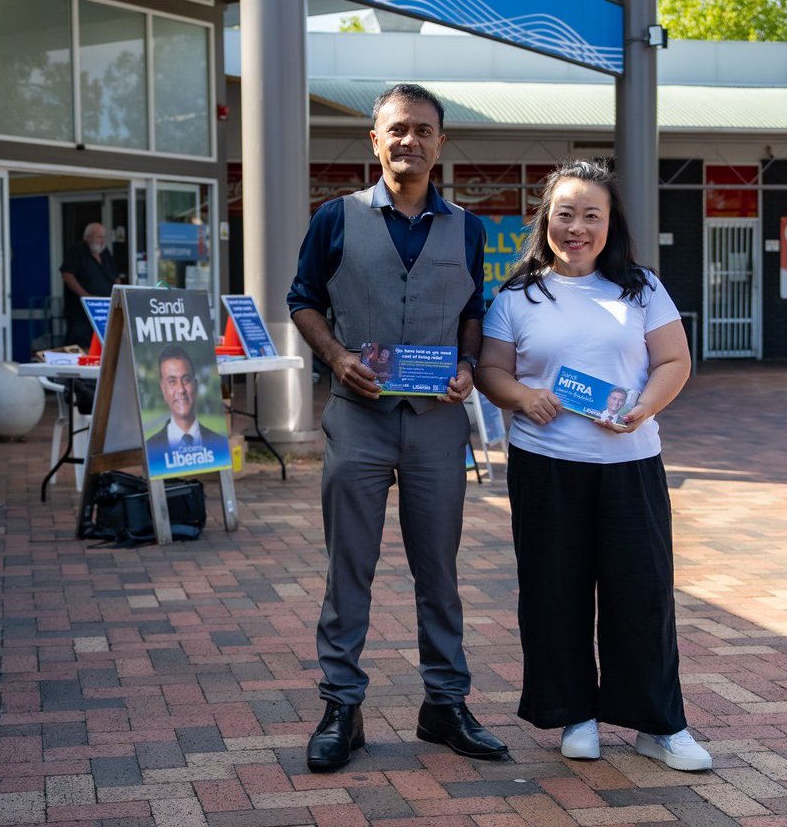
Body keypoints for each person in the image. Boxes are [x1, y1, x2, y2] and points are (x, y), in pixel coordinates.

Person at [288, 82, 508, 772]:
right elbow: (303, 301)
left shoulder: (467, 228)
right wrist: (335, 356)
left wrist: (470, 364)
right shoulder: (335, 218)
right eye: (396, 129)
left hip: (438, 422)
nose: (409, 139)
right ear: (374, 140)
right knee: (348, 565)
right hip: (359, 417)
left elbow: (474, 308)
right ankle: (341, 706)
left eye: (422, 129)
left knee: (438, 571)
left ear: (439, 143)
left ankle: (444, 704)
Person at [477, 159, 712, 772]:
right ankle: (574, 714)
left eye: (591, 215)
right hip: (546, 464)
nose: (576, 227)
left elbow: (674, 362)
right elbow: (491, 370)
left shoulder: (641, 287)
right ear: (545, 220)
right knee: (555, 591)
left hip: (630, 461)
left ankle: (659, 726)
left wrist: (642, 408)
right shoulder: (518, 294)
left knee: (643, 594)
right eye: (564, 214)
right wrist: (524, 396)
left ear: (611, 224)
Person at [144, 345, 213, 469]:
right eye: (172, 382)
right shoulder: (150, 448)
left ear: (195, 385)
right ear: (163, 389)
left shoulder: (218, 442)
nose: (181, 389)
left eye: (186, 380)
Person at [60, 222, 118, 349]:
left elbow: (115, 276)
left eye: (104, 237)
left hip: (104, 309)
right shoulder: (77, 251)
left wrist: (118, 295)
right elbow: (67, 275)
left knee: (104, 343)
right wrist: (86, 296)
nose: (102, 241)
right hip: (80, 311)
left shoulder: (105, 253)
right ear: (88, 237)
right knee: (81, 343)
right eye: (99, 237)